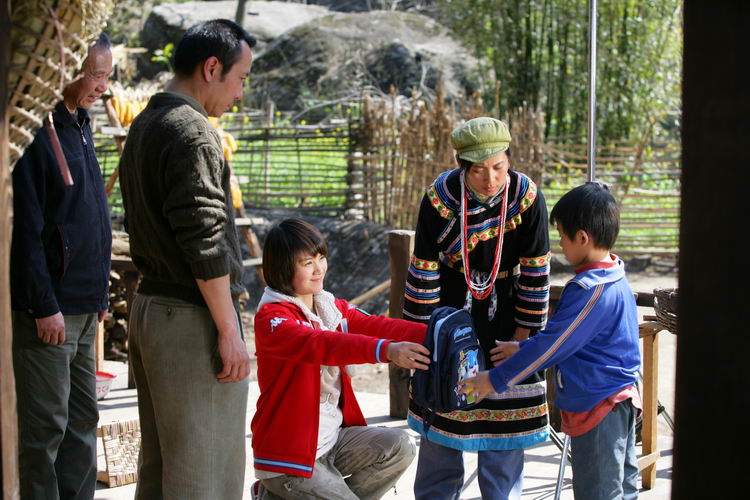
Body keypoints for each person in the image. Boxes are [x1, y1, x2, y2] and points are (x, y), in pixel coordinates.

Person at [117, 19, 255, 499]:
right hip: (190, 318)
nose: (240, 94)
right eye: (240, 79)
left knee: (162, 471)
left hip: (152, 308)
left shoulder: (146, 123)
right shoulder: (192, 132)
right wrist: (229, 330)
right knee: (203, 476)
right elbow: (204, 239)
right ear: (211, 68)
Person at [459, 182, 642, 500]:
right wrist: (521, 348)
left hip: (599, 405)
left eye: (562, 236)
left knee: (599, 493)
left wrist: (495, 379)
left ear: (582, 238)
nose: (559, 244)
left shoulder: (589, 291)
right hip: (619, 400)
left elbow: (553, 346)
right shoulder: (615, 276)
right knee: (622, 489)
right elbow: (567, 340)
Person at [404, 117, 551, 499]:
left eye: (499, 167)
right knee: (443, 408)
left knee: (505, 423)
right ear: (462, 167)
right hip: (451, 313)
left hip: (509, 313)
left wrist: (522, 338)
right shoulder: (440, 198)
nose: (491, 179)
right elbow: (424, 268)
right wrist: (426, 339)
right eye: (479, 170)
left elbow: (536, 269)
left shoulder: (526, 197)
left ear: (509, 160)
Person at [251, 218, 430, 500]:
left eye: (321, 258)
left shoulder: (328, 308)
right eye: (307, 263)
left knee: (399, 446)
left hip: (333, 441)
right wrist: (387, 350)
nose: (319, 268)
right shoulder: (272, 319)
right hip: (289, 458)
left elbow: (377, 325)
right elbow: (321, 344)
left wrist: (436, 333)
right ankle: (279, 490)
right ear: (283, 268)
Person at [10, 32, 113, 499]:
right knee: (45, 429)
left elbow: (91, 217)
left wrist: (100, 295)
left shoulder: (81, 123)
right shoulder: (36, 131)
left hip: (86, 307)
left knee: (83, 421)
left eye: (108, 76)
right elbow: (26, 230)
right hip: (51, 311)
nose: (103, 87)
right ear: (67, 68)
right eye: (95, 75)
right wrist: (43, 303)